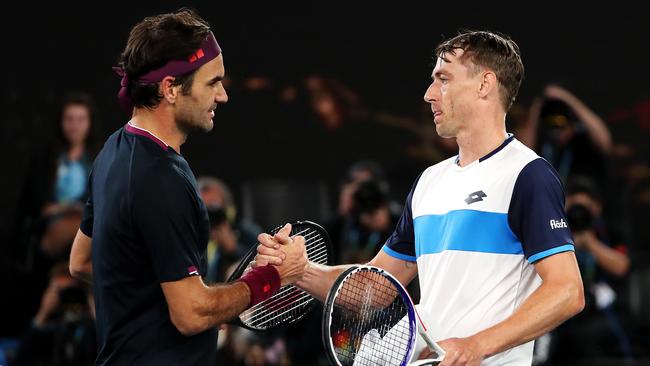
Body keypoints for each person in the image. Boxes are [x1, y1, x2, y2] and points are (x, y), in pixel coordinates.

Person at [256, 30, 584, 366]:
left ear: (485, 84)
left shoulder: (528, 175)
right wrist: (301, 270)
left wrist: (477, 345)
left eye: (443, 79)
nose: (429, 94)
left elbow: (567, 291)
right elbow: (375, 288)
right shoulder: (429, 181)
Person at [68, 8, 307, 365]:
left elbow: (82, 263)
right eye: (212, 82)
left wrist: (192, 303)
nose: (223, 95)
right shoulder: (161, 180)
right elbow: (191, 315)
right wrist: (273, 277)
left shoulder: (113, 151)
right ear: (170, 89)